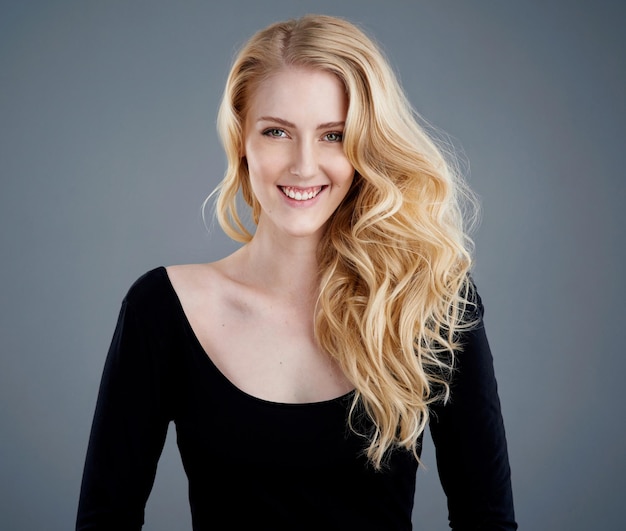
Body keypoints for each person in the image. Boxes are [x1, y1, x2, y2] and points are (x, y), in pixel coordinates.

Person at [76, 14, 517, 531]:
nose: (304, 166)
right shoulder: (162, 309)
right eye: (277, 131)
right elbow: (105, 520)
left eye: (333, 135)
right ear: (242, 138)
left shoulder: (429, 303)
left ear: (367, 146)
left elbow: (487, 520)